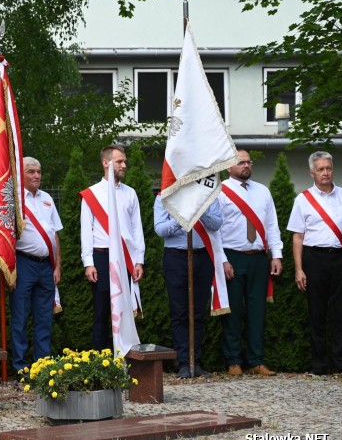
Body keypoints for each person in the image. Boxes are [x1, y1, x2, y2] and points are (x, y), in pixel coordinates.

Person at [218, 150, 282, 376]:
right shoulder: (220, 192)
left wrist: (276, 255)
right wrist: (223, 260)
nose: (246, 165)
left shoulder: (262, 191)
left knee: (257, 311)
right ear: (228, 167)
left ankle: (256, 360)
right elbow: (214, 231)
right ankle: (233, 360)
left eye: (248, 162)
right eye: (241, 162)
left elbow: (272, 224)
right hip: (232, 256)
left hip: (258, 258)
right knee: (233, 312)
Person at [80, 145, 145, 350]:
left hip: (126, 259)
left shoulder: (131, 193)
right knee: (101, 312)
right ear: (106, 163)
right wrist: (88, 262)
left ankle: (126, 355)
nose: (124, 165)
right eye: (119, 162)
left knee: (125, 311)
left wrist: (139, 260)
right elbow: (86, 230)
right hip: (101, 257)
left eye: (124, 161)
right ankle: (100, 361)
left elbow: (137, 230)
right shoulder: (91, 194)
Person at [287, 151, 342, 376]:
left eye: (328, 168)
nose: (325, 173)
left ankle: (341, 363)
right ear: (312, 173)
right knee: (317, 313)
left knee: (341, 313)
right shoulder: (303, 200)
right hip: (315, 258)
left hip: (340, 257)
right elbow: (297, 236)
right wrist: (299, 269)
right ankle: (319, 365)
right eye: (320, 169)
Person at [154, 195, 222, 378]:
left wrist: (200, 211)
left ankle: (196, 361)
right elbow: (160, 229)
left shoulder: (207, 194)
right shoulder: (164, 197)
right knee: (180, 312)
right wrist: (182, 216)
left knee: (198, 313)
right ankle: (184, 362)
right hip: (176, 256)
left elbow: (217, 223)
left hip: (202, 256)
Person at [10, 157, 63, 372]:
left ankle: (43, 365)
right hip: (23, 263)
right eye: (31, 172)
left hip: (46, 266)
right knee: (20, 317)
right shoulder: (13, 201)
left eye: (39, 172)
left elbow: (55, 234)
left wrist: (57, 266)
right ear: (21, 174)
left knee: (44, 318)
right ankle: (21, 367)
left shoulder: (47, 198)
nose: (37, 176)